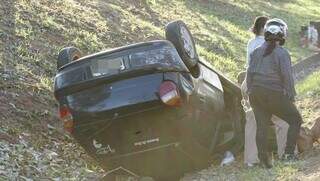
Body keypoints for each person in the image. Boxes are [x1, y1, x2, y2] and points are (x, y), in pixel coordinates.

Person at [246, 18, 302, 168]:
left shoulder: (256, 51)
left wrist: (250, 92)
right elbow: (287, 77)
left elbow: (249, 73)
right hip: (273, 94)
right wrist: (291, 95)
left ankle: (264, 161)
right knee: (296, 120)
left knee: (261, 126)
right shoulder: (282, 53)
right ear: (282, 34)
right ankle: (288, 154)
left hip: (255, 94)